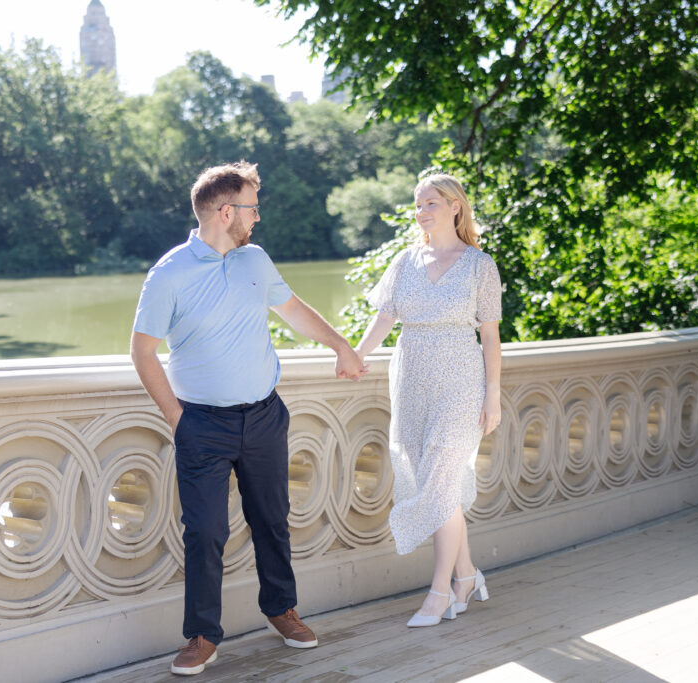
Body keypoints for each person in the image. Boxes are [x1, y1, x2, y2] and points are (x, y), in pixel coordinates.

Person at [130, 161, 368, 675]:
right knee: (205, 531)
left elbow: (295, 309)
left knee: (272, 520)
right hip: (202, 424)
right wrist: (178, 419)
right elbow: (142, 352)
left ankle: (280, 609)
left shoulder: (255, 260)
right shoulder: (169, 273)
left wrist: (341, 345)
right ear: (224, 211)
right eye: (252, 208)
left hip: (264, 416)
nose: (257, 218)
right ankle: (201, 636)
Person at [354, 172, 502, 627]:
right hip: (412, 376)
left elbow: (491, 337)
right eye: (418, 204)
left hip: (461, 379)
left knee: (440, 481)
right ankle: (467, 575)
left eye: (432, 203)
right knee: (436, 481)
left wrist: (493, 397)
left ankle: (439, 593)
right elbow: (385, 318)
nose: (422, 212)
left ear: (455, 206)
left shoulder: (480, 265)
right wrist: (355, 354)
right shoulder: (404, 261)